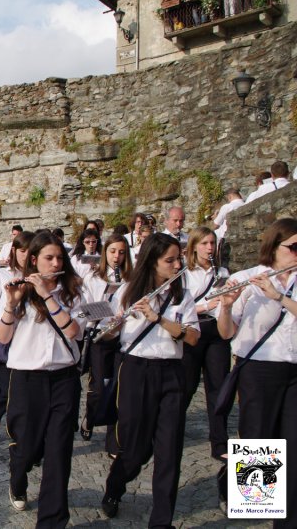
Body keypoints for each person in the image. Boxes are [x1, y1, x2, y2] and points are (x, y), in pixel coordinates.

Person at [100, 233, 199, 526]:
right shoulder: (129, 291)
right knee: (136, 449)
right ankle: (115, 486)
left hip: (173, 370)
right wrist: (112, 326)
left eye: (179, 258)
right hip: (137, 370)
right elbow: (109, 335)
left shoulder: (190, 289)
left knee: (170, 451)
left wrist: (159, 319)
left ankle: (161, 521)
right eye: (170, 259)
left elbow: (196, 336)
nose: (178, 263)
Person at [0, 232, 83, 525]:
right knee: (27, 448)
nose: (55, 262)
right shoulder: (18, 292)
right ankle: (17, 480)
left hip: (64, 379)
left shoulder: (72, 291)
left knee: (58, 454)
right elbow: (2, 337)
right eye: (49, 258)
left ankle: (52, 521)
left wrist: (46, 293)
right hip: (26, 380)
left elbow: (72, 331)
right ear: (34, 260)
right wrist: (11, 303)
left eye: (59, 258)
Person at [217, 218, 297, 529]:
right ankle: (254, 513)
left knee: (292, 445)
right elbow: (227, 333)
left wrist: (279, 297)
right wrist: (226, 305)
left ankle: (287, 522)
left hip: (294, 370)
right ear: (274, 247)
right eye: (293, 247)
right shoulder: (247, 278)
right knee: (259, 442)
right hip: (259, 369)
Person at [80, 233, 132, 458]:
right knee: (99, 388)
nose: (117, 257)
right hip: (100, 337)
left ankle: (113, 442)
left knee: (118, 390)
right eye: (112, 252)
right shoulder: (94, 278)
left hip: (123, 337)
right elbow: (84, 309)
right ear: (105, 253)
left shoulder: (132, 278)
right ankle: (90, 417)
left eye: (121, 252)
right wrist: (105, 310)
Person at [181, 227, 231, 461]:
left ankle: (220, 442)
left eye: (212, 243)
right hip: (195, 328)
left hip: (216, 330)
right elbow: (180, 307)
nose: (210, 248)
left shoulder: (222, 271)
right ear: (193, 247)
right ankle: (173, 429)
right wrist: (207, 306)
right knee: (187, 386)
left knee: (219, 388)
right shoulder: (184, 273)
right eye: (204, 243)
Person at [0, 231, 34, 438]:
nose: (26, 256)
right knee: (7, 390)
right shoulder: (0, 275)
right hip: (7, 341)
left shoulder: (38, 279)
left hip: (30, 343)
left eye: (31, 252)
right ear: (14, 251)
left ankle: (24, 440)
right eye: (23, 251)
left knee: (24, 395)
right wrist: (11, 312)